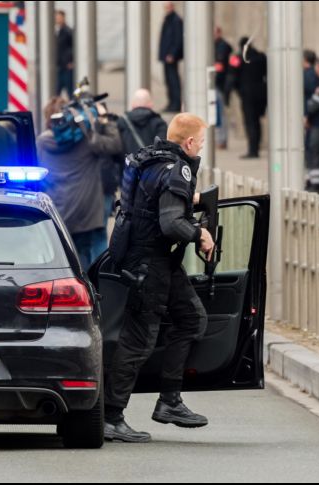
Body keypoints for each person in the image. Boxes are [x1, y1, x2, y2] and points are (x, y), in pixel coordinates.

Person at [105, 113, 215, 443]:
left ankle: (170, 401)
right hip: (149, 264)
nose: (201, 148)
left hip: (155, 260)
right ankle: (111, 416)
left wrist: (192, 202)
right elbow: (170, 223)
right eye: (201, 142)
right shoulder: (177, 168)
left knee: (191, 319)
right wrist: (200, 234)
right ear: (190, 142)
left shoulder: (153, 160)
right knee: (138, 340)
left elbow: (154, 202)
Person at [37, 96, 121, 269]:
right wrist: (105, 119)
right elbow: (114, 144)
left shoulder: (42, 142)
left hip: (58, 209)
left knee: (61, 257)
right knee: (84, 256)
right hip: (85, 212)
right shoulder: (87, 140)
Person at [228, 37, 267, 159]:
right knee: (257, 121)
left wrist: (229, 94)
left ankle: (252, 150)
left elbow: (232, 77)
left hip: (247, 95)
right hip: (261, 93)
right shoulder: (261, 57)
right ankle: (256, 147)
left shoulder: (238, 58)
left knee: (250, 122)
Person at [117, 89, 168, 157]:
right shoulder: (159, 123)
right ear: (150, 104)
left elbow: (116, 149)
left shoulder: (121, 122)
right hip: (151, 163)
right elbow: (162, 147)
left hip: (128, 163)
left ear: (132, 104)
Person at [159, 2, 184, 112]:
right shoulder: (168, 19)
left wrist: (172, 54)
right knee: (168, 80)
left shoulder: (176, 20)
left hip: (171, 57)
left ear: (172, 6)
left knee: (173, 81)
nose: (166, 9)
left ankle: (176, 104)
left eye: (168, 6)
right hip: (166, 56)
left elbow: (178, 39)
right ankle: (171, 103)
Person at [214, 27, 233, 150]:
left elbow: (220, 66)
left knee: (220, 114)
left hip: (220, 85)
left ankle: (222, 140)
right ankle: (220, 139)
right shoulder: (215, 45)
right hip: (217, 84)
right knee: (217, 114)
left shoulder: (223, 46)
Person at [55, 10, 74, 97]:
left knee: (70, 91)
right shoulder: (58, 31)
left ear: (63, 18)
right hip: (60, 66)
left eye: (59, 18)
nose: (57, 19)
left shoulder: (68, 31)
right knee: (57, 91)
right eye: (56, 18)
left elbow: (74, 47)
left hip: (67, 66)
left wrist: (72, 61)